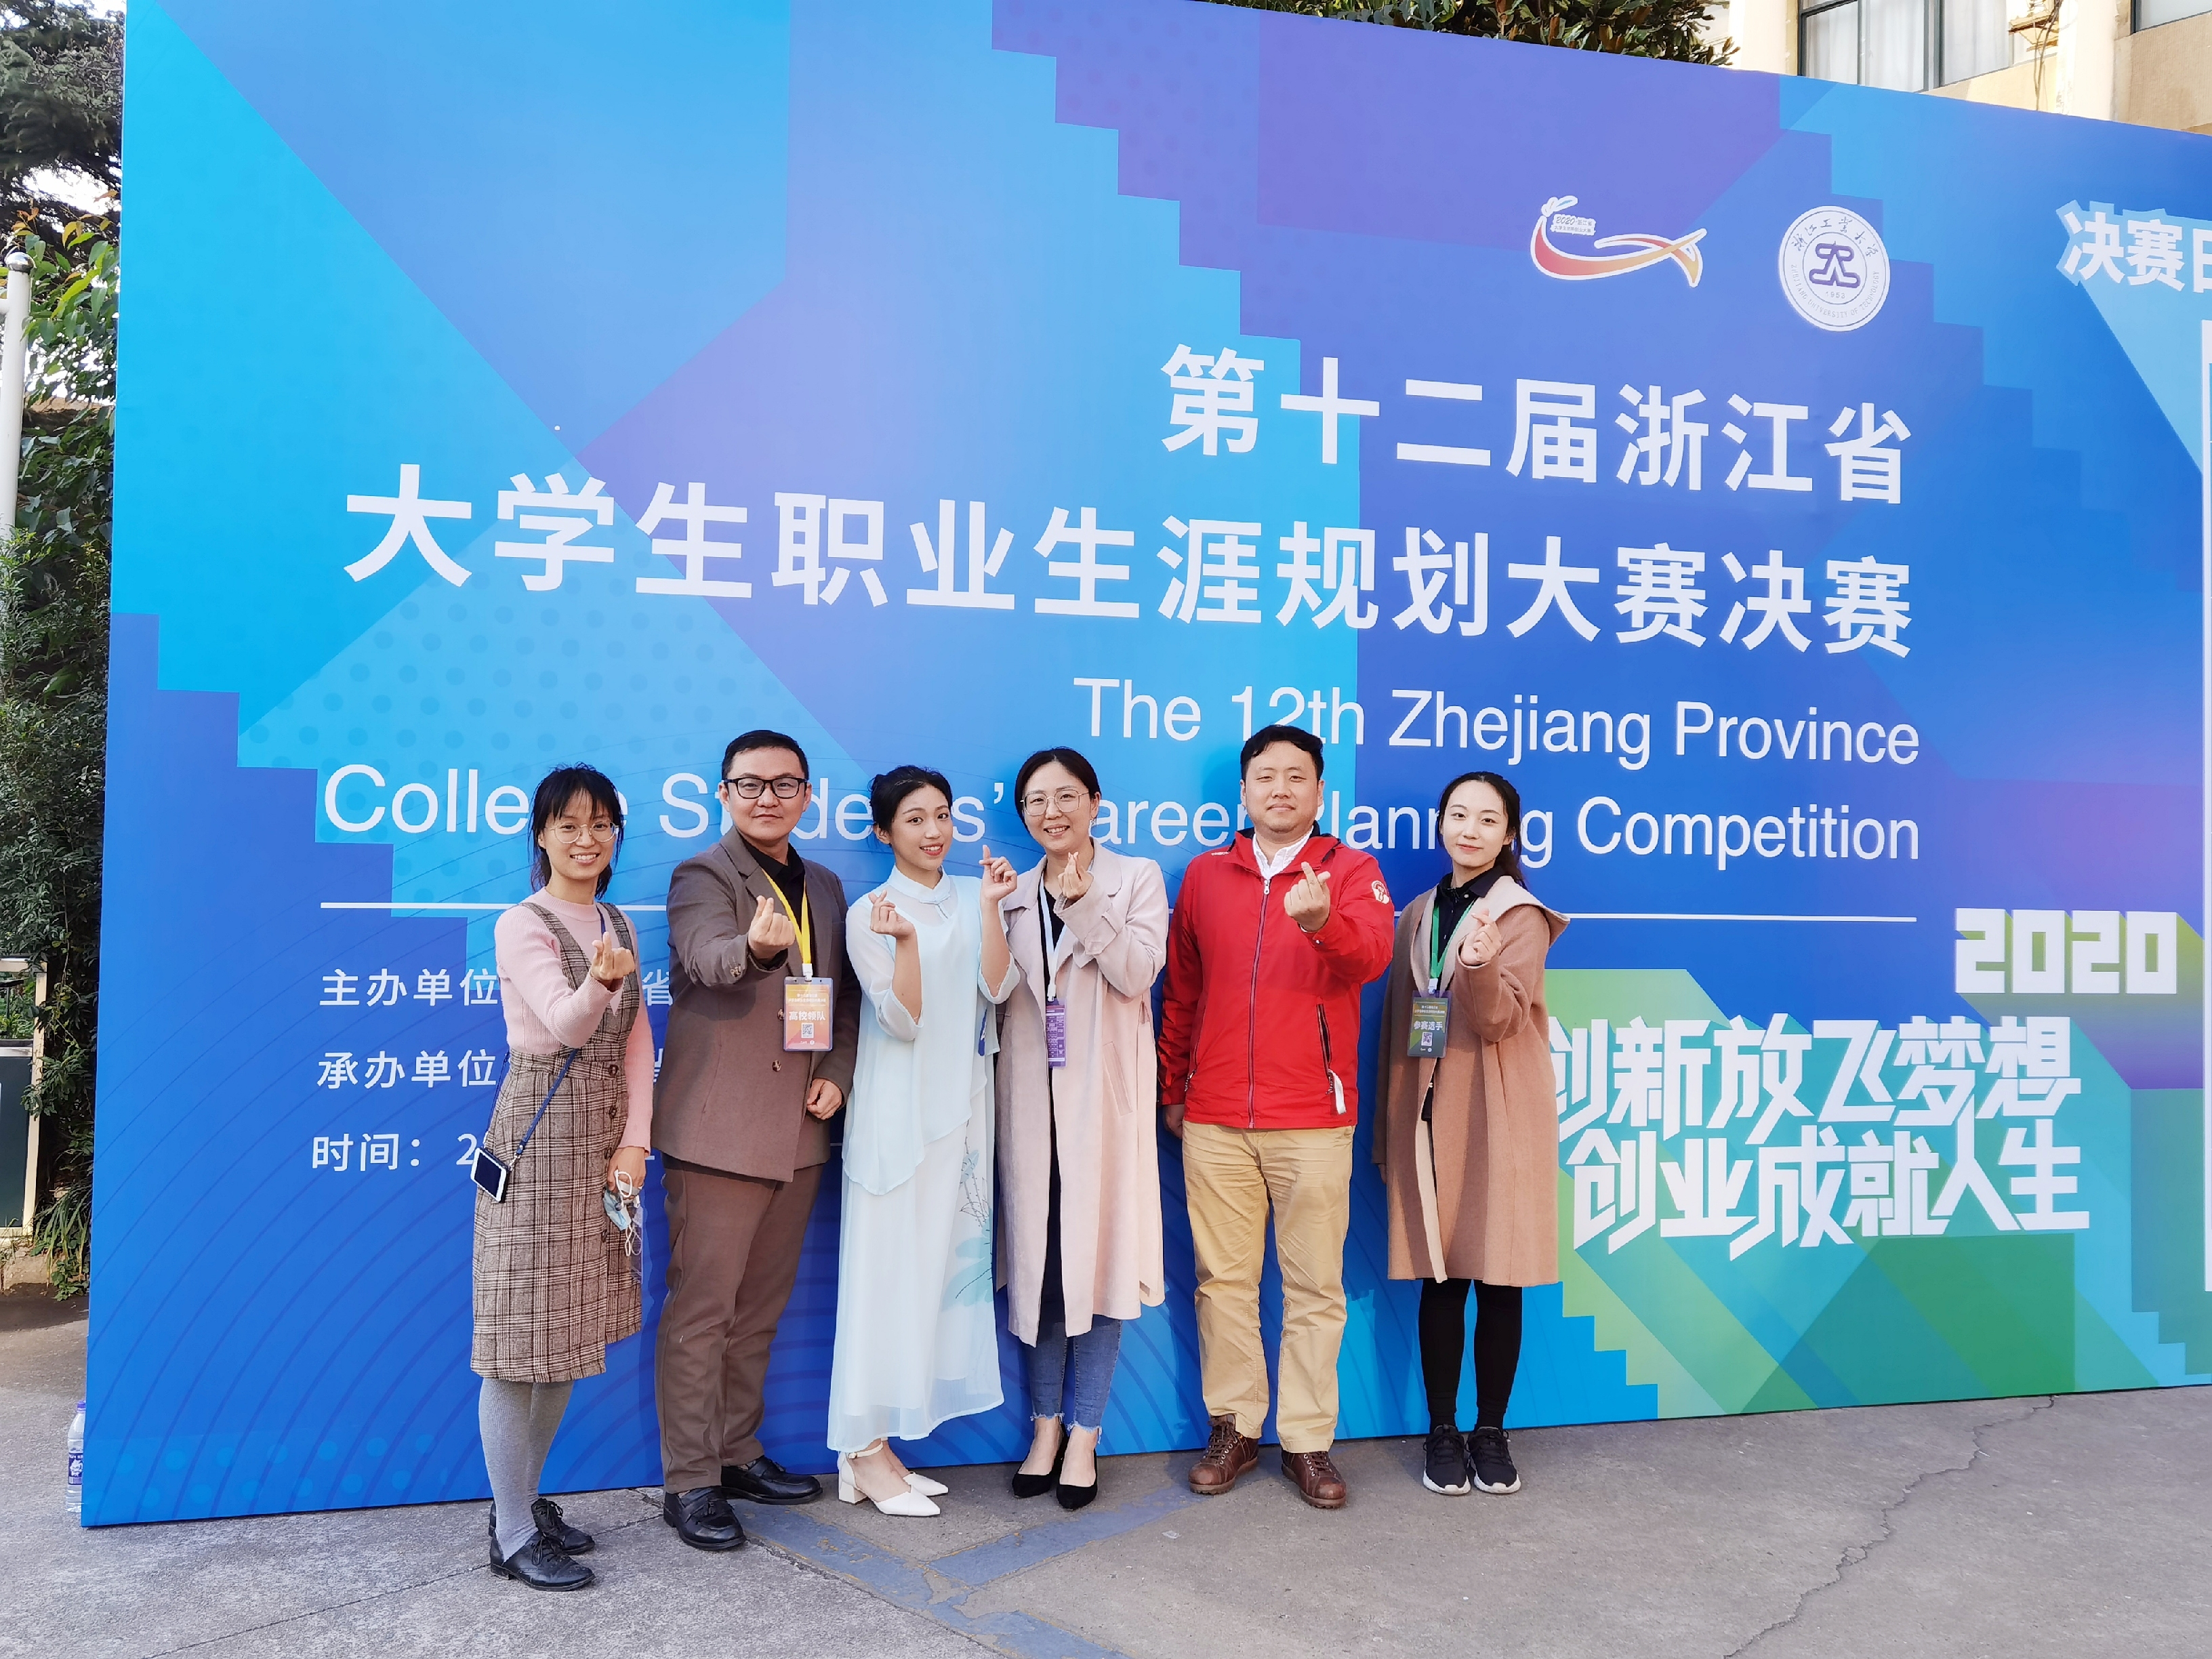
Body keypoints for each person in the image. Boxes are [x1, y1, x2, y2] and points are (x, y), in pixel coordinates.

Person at [1158, 724, 1396, 1510]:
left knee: (1314, 1288)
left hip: (1313, 1117)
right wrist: (1175, 1087)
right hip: (1216, 1116)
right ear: (1244, 791)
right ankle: (1234, 1428)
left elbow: (1370, 959)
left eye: (1297, 776)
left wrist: (1322, 921)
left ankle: (1307, 1441)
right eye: (1266, 776)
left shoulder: (1351, 871)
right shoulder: (1205, 876)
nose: (1281, 789)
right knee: (1223, 1283)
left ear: (1320, 792)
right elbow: (1182, 992)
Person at [653, 730, 862, 1552]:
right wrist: (755, 949)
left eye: (784, 784)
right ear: (724, 793)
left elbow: (844, 999)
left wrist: (837, 1071)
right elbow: (707, 959)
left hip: (801, 1132)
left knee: (759, 1312)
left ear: (808, 794)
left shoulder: (827, 886)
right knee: (702, 1313)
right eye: (750, 784)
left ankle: (737, 1453)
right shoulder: (702, 876)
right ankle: (690, 1481)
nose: (767, 798)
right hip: (721, 1133)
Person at [473, 764, 651, 1591]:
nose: (588, 839)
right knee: (520, 1347)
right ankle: (511, 1531)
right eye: (569, 825)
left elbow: (637, 1038)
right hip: (539, 1140)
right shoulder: (523, 922)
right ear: (541, 835)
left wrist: (636, 1143)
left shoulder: (616, 919)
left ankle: (525, 1501)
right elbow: (568, 1024)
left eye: (601, 824)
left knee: (567, 1337)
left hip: (603, 1139)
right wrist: (601, 979)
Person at [826, 766, 1020, 1515]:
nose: (934, 831)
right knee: (885, 1277)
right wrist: (907, 943)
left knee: (934, 1279)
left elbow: (998, 990)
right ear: (884, 832)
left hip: (962, 1113)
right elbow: (901, 1020)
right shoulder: (871, 912)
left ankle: (879, 1449)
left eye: (942, 815)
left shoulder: (974, 893)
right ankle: (860, 1449)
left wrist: (993, 909)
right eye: (914, 819)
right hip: (898, 1119)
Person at [1376, 771, 1567, 1499]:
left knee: (1499, 1275)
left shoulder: (1519, 915)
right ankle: (1441, 1430)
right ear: (1441, 824)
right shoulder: (1417, 913)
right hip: (1429, 1114)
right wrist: (1389, 1133)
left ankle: (1490, 1431)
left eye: (1488, 820)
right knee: (1442, 1276)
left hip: (1499, 1114)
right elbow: (1398, 1024)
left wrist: (1481, 968)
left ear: (1509, 834)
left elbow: (1499, 1021)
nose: (1470, 830)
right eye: (1459, 815)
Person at [996, 747, 1169, 1511]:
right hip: (1029, 1105)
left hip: (1104, 1105)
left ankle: (1085, 1435)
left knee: (1099, 1267)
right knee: (1041, 1267)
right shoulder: (1009, 891)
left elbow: (1137, 973)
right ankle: (1043, 1428)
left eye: (1067, 796)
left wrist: (1084, 902)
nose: (1052, 812)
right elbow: (995, 988)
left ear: (1096, 803)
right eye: (1036, 800)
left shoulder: (1136, 878)